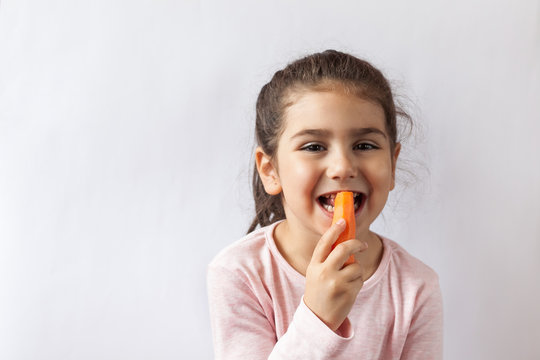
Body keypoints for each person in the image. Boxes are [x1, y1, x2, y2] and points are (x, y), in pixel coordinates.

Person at [207, 50, 443, 359]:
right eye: (314, 146)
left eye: (365, 145)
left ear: (392, 165)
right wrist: (318, 319)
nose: (342, 167)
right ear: (270, 170)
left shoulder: (416, 287)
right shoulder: (240, 274)